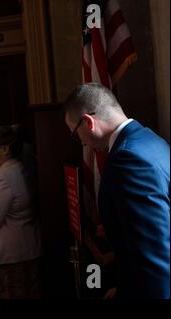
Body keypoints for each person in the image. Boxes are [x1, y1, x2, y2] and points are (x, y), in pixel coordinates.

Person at [64, 83, 170, 299]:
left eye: (76, 134)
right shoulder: (150, 139)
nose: (82, 143)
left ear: (88, 122)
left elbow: (155, 253)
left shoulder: (127, 158)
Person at [0, 125, 42, 298]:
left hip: (6, 261)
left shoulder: (3, 178)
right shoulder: (19, 168)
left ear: (5, 149)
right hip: (22, 254)